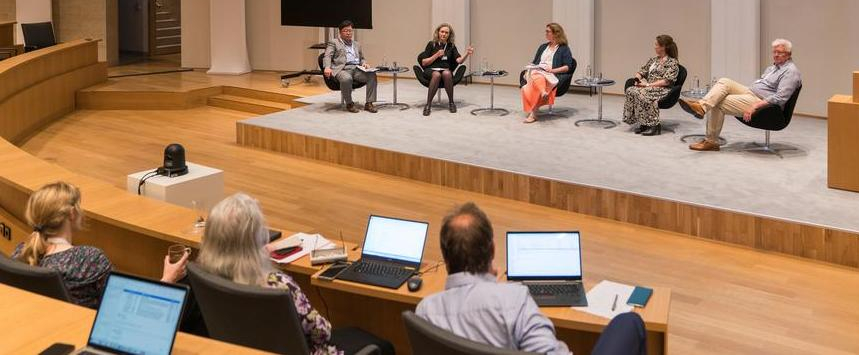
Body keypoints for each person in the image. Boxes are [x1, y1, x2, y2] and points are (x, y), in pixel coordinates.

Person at [416, 202, 647, 355]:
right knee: (629, 322)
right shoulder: (512, 299)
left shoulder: (425, 312)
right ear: (493, 250)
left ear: (445, 258)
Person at [197, 193, 393, 355]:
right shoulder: (278, 284)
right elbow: (322, 333)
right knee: (381, 346)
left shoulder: (204, 272)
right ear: (257, 240)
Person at [12, 181, 188, 309]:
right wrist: (168, 279)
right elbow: (126, 308)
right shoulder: (88, 259)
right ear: (72, 213)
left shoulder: (21, 253)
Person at [679, 38, 802, 152]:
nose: (775, 55)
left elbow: (780, 98)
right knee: (724, 81)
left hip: (763, 103)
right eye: (774, 52)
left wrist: (755, 106)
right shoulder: (773, 68)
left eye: (780, 52)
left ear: (789, 54)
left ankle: (711, 141)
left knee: (718, 102)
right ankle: (701, 106)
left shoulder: (791, 72)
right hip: (751, 92)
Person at [623, 35, 680, 135]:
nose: (654, 47)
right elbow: (641, 71)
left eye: (656, 45)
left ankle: (654, 125)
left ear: (663, 47)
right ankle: (643, 122)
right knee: (631, 90)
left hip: (663, 89)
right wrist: (637, 79)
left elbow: (667, 81)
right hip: (649, 87)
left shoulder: (673, 62)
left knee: (644, 93)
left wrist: (648, 85)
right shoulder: (653, 60)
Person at [521, 23, 573, 123]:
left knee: (539, 78)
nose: (545, 33)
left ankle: (533, 113)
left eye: (548, 31)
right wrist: (530, 66)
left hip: (551, 73)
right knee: (537, 75)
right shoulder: (543, 47)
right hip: (538, 71)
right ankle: (543, 92)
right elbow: (535, 62)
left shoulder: (564, 49)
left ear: (556, 33)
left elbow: (567, 67)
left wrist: (552, 70)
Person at [418, 23, 474, 116]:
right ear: (438, 32)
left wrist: (467, 53)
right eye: (442, 32)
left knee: (447, 73)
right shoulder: (431, 44)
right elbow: (424, 62)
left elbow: (459, 61)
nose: (444, 34)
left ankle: (451, 103)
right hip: (431, 70)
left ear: (449, 35)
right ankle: (428, 105)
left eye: (446, 32)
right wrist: (436, 55)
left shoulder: (451, 46)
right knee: (436, 74)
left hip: (445, 70)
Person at [322, 19, 378, 113]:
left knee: (372, 75)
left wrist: (364, 63)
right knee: (346, 78)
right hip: (342, 69)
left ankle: (369, 103)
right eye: (345, 31)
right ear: (340, 32)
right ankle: (349, 103)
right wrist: (327, 67)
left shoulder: (356, 44)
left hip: (356, 69)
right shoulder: (334, 42)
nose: (348, 33)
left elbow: (362, 58)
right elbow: (327, 55)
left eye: (350, 30)